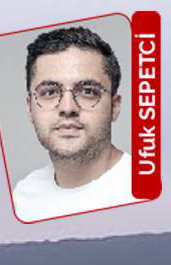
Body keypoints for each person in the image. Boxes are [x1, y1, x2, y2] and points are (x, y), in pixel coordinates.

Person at [12, 26, 135, 221]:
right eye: (49, 92)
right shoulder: (23, 197)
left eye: (87, 91)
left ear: (115, 107)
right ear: (30, 108)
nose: (67, 107)